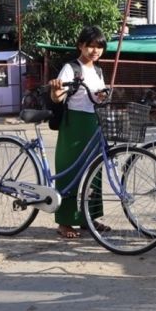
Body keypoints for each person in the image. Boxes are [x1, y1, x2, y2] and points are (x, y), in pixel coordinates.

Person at [48, 26, 109, 239]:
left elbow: (97, 97)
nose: (95, 50)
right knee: (70, 171)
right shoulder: (71, 68)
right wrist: (56, 91)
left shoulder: (99, 70)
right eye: (91, 45)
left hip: (94, 123)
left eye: (99, 46)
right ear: (80, 46)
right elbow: (58, 97)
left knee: (94, 172)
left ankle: (88, 218)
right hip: (74, 123)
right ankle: (64, 222)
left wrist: (102, 97)